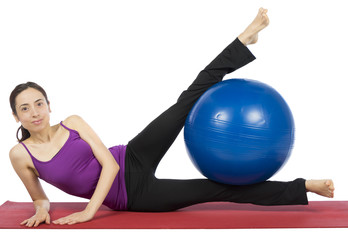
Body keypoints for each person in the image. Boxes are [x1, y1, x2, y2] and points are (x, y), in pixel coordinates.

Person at [9, 8, 334, 228]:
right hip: (133, 197)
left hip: (130, 156)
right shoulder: (20, 155)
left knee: (186, 101)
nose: (35, 112)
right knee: (217, 190)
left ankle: (242, 40)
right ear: (15, 116)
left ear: (49, 105)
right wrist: (41, 208)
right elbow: (39, 197)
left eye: (39, 103)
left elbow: (109, 164)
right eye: (25, 108)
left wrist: (88, 213)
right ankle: (304, 187)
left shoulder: (73, 122)